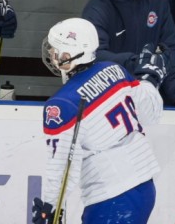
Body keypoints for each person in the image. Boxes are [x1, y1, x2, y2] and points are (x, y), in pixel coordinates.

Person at [32, 18, 165, 224]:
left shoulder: (61, 105)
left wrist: (50, 208)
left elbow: (62, 168)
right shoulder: (114, 70)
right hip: (144, 188)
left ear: (68, 57)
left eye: (54, 49)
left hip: (112, 198)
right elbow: (151, 112)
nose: (50, 53)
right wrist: (150, 78)